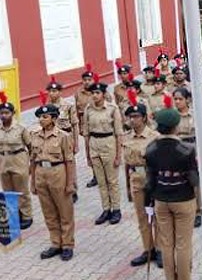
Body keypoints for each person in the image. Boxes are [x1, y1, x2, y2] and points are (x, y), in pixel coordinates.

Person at [144, 97, 202, 280]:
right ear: (176, 126)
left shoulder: (150, 149)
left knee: (166, 245)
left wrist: (147, 203)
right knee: (183, 244)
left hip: (160, 199)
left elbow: (149, 180)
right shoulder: (186, 150)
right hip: (183, 199)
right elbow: (194, 180)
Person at [30, 95, 76, 261]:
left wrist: (70, 183)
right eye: (40, 117)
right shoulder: (34, 135)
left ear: (54, 118)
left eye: (45, 117)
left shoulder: (63, 136)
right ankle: (55, 243)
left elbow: (69, 161)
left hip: (58, 172)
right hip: (41, 173)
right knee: (48, 212)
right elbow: (33, 159)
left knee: (64, 211)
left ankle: (67, 245)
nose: (41, 120)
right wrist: (33, 182)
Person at [121, 89, 162, 268]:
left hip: (152, 178)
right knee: (142, 217)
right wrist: (127, 186)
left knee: (158, 216)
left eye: (136, 116)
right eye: (130, 117)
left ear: (144, 118)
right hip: (136, 179)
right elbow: (127, 164)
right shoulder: (126, 137)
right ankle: (148, 249)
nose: (133, 120)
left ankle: (160, 249)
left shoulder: (154, 137)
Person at [83, 76, 123, 226]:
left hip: (109, 144)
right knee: (101, 181)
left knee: (112, 180)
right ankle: (106, 209)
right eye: (92, 93)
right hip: (94, 145)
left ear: (103, 94)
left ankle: (116, 209)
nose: (94, 95)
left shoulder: (113, 109)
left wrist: (119, 155)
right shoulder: (88, 110)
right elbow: (86, 133)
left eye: (97, 93)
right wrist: (87, 154)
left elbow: (119, 134)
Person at [0, 92, 32, 229]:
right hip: (4, 161)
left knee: (22, 191)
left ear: (13, 113)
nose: (4, 115)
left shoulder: (21, 128)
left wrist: (31, 164)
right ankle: (14, 215)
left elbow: (30, 146)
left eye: (7, 113)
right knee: (8, 191)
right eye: (1, 113)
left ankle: (27, 216)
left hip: (19, 160)